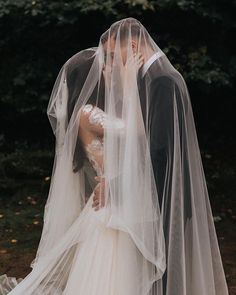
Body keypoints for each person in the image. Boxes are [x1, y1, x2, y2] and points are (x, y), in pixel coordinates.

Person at [0, 18, 229, 295]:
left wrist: (130, 88)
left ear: (132, 46)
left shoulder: (160, 82)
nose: (110, 66)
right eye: (104, 65)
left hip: (138, 197)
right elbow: (137, 137)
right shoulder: (90, 113)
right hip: (118, 202)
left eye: (111, 58)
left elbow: (155, 149)